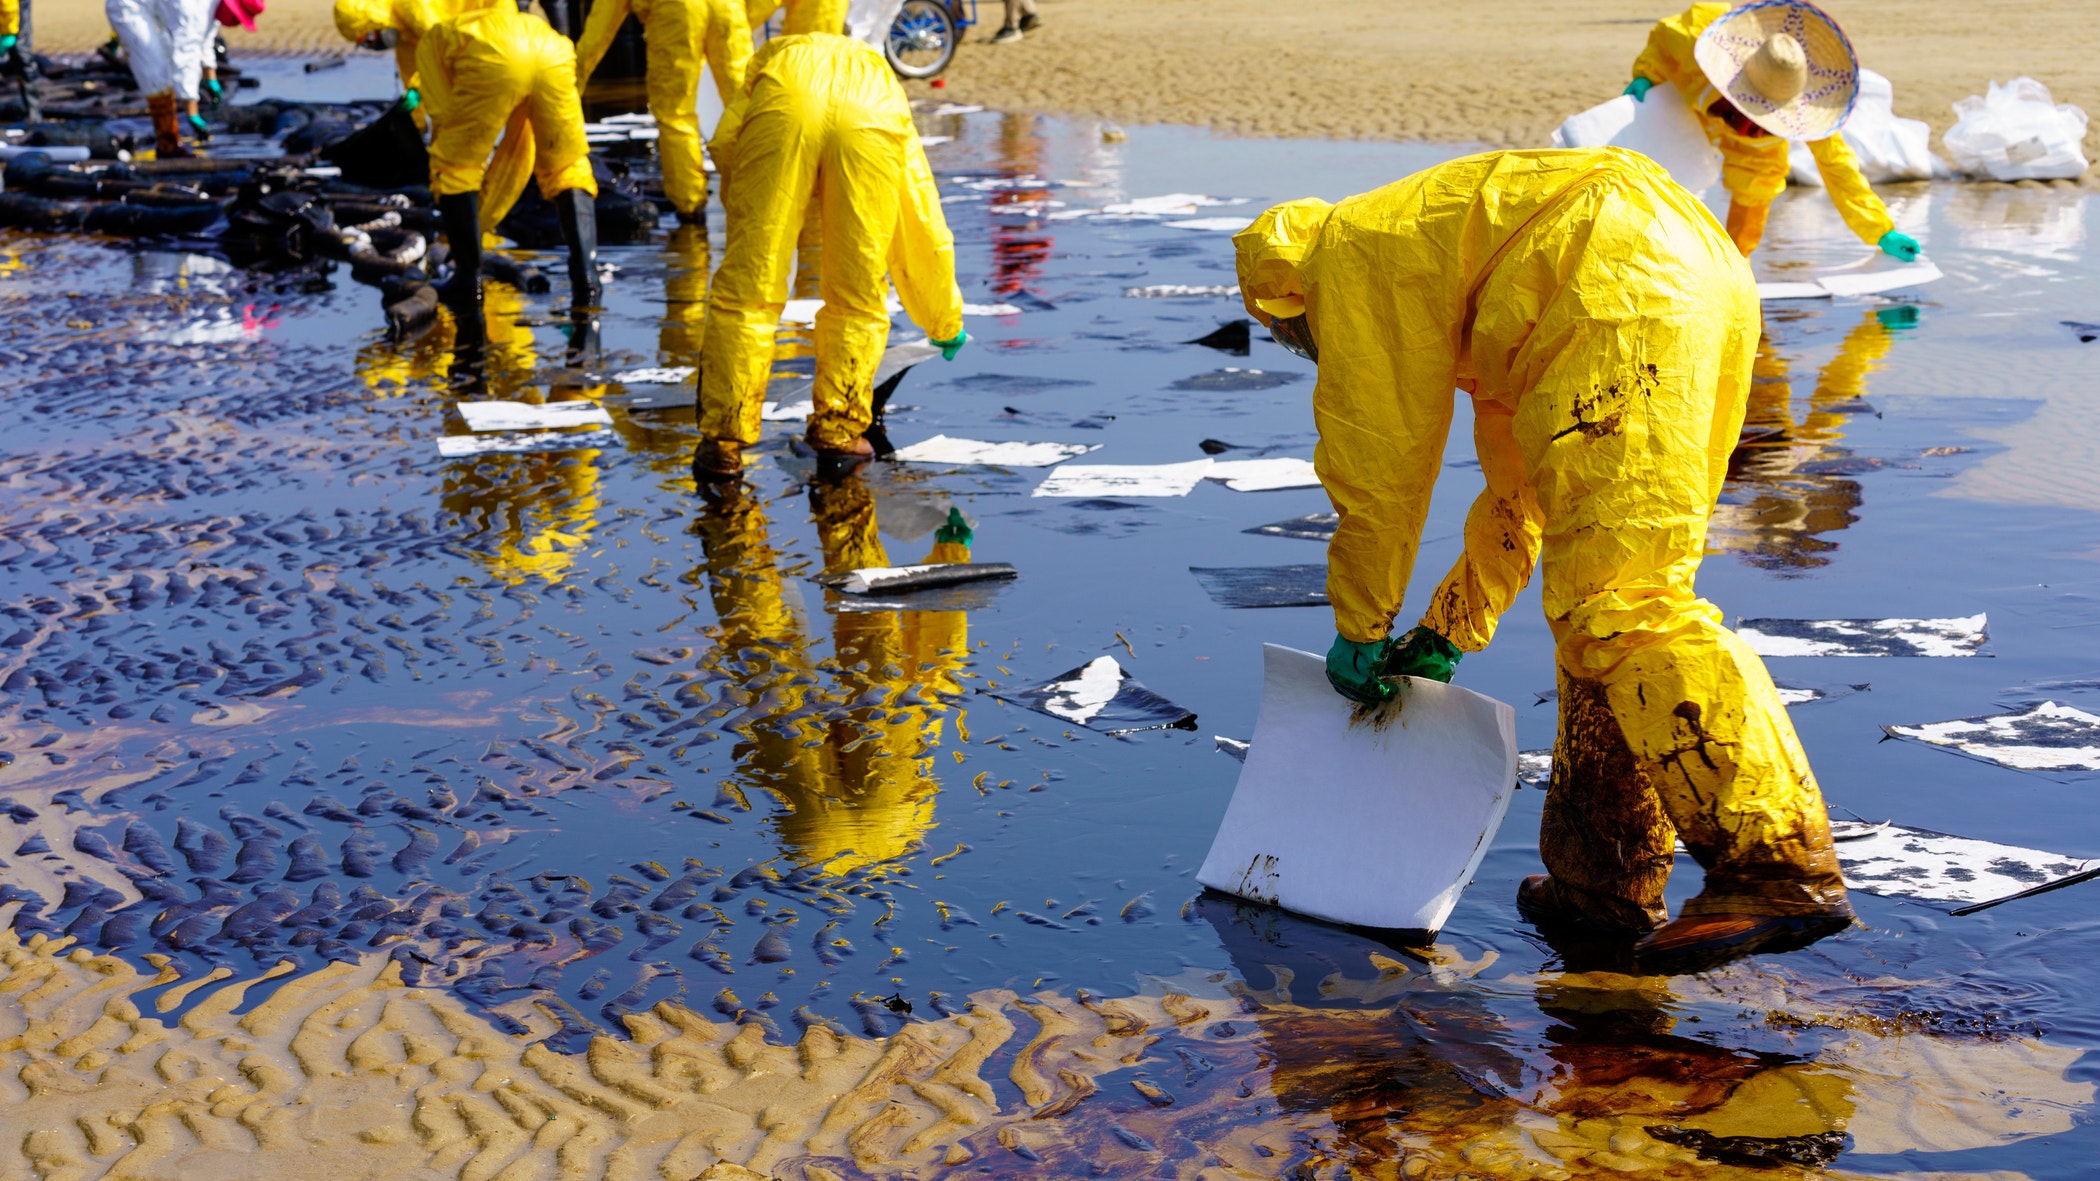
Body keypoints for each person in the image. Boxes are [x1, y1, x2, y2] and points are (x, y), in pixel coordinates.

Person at [1233, 147, 1855, 974]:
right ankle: (1603, 882)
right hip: (1686, 274)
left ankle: (1772, 861)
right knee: (1595, 601)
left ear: (1289, 300)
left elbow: (1379, 468)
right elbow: (1519, 488)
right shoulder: (1458, 258)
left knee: (1625, 599)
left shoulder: (1354, 255)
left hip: (1620, 277)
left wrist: (1360, 625)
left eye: (1302, 342)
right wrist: (1454, 624)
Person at [693, 13, 965, 480]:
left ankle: (724, 441)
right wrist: (943, 319)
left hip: (784, 104)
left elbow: (724, 141)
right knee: (858, 290)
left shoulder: (775, 59)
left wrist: (753, 204)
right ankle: (837, 432)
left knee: (748, 288)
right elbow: (921, 214)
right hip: (869, 115)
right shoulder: (881, 77)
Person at [1624, 0, 1918, 260]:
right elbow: (1663, 42)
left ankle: (1734, 265)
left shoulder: (1807, 116)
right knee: (1649, 183)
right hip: (1683, 112)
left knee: (1750, 206)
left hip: (1753, 149)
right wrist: (1647, 74)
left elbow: (1839, 169)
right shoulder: (1701, 31)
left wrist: (1882, 231)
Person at [414, 1, 601, 348]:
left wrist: (457, 157)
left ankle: (467, 280)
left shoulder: (441, 37)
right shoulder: (524, 20)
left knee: (455, 168)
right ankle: (587, 278)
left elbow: (442, 113)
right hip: (551, 49)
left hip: (494, 52)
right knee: (568, 164)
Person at [574, 0, 750, 226]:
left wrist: (570, 86)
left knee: (675, 115)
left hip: (676, 12)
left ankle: (691, 207)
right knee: (747, 106)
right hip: (729, 8)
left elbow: (599, 29)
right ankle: (766, 191)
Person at [105, 0, 220, 157]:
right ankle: (167, 142)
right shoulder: (195, 7)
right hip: (129, 7)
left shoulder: (213, 5)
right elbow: (186, 53)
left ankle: (169, 142)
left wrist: (211, 77)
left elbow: (204, 39)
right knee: (155, 73)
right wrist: (192, 111)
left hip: (151, 11)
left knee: (162, 64)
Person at [332, 0, 453, 128]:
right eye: (364, 44)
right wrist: (416, 126)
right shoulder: (404, 38)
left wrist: (418, 88)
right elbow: (411, 76)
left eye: (370, 39)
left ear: (375, 20)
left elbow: (446, 51)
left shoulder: (415, 9)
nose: (373, 46)